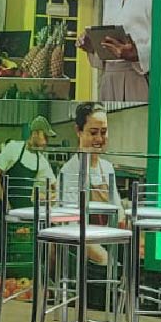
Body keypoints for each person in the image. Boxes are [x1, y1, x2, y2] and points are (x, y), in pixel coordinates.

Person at [58, 102, 122, 268]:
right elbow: (72, 227)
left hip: (106, 240)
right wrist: (105, 258)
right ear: (78, 131)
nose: (99, 139)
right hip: (80, 249)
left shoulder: (107, 168)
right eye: (93, 132)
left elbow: (119, 214)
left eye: (104, 132)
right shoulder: (69, 171)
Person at [0, 117, 58, 212]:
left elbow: (55, 186)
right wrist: (5, 203)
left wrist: (51, 197)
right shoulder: (13, 148)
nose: (46, 142)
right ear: (35, 133)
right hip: (6, 212)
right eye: (45, 137)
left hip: (26, 212)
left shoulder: (41, 161)